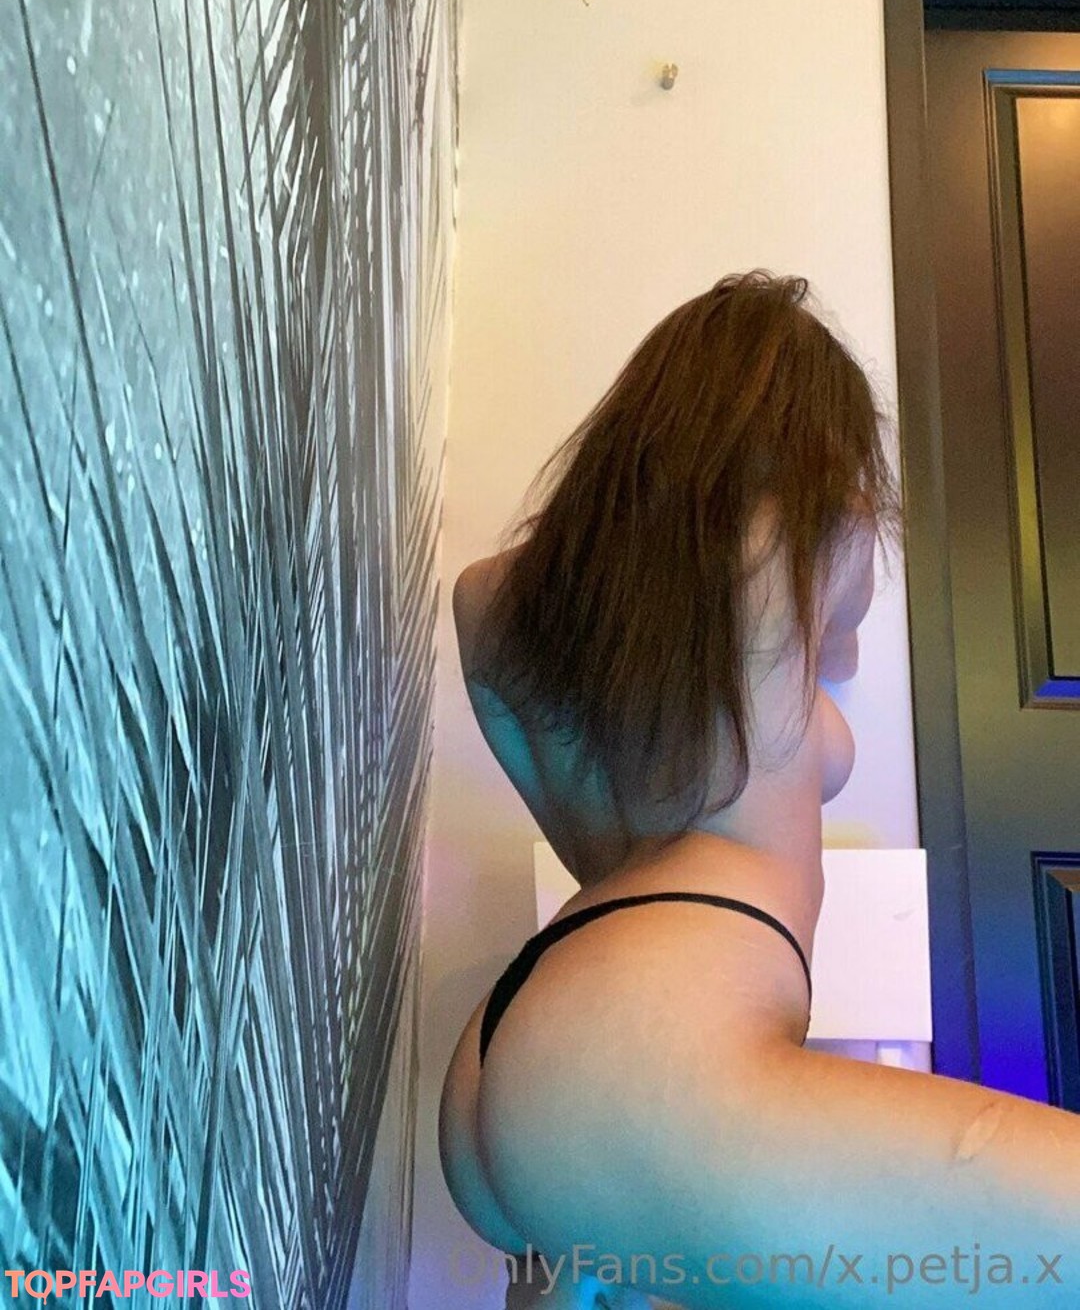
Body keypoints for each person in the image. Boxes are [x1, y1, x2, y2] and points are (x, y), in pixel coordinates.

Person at [438, 271, 1080, 1309]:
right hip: (638, 1059)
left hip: (548, 1018)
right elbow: (841, 570)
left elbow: (485, 598)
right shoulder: (776, 559)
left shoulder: (620, 639)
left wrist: (620, 509)